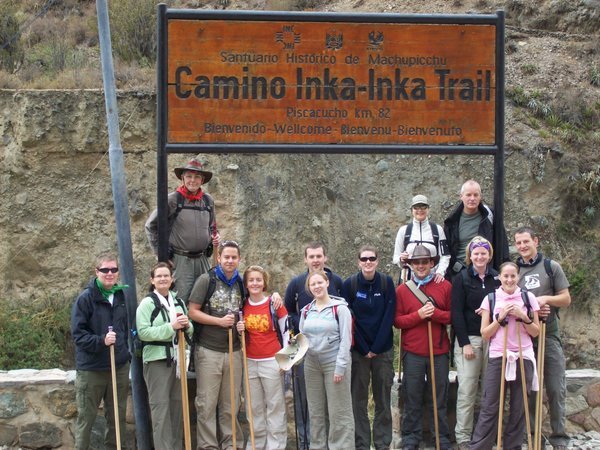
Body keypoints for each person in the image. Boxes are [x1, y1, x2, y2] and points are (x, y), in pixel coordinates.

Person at [469, 262, 540, 450]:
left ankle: (513, 446)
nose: (509, 280)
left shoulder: (528, 298)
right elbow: (485, 333)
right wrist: (499, 319)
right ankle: (480, 446)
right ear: (499, 277)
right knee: (490, 405)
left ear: (518, 277)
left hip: (523, 355)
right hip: (498, 355)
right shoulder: (490, 298)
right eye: (505, 276)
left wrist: (523, 317)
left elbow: (536, 332)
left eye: (513, 276)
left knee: (519, 406)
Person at [515, 226, 571, 450]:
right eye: (518, 243)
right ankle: (532, 435)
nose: (522, 246)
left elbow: (566, 299)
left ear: (535, 241)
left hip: (549, 336)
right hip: (526, 337)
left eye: (526, 241)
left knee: (556, 387)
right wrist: (531, 310)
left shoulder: (551, 267)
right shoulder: (514, 270)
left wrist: (545, 299)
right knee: (529, 388)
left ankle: (559, 437)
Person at [283, 241, 344, 449]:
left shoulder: (336, 282)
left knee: (334, 404)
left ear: (325, 258)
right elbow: (289, 311)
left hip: (332, 354)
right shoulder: (296, 283)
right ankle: (306, 442)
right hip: (306, 353)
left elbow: (344, 314)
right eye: (312, 256)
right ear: (305, 259)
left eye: (319, 256)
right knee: (308, 403)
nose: (316, 260)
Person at [188, 240, 245, 450]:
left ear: (239, 259)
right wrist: (219, 322)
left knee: (231, 404)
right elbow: (192, 311)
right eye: (226, 257)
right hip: (209, 351)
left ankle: (232, 445)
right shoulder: (206, 280)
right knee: (206, 404)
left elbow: (255, 298)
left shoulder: (241, 282)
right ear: (219, 258)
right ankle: (208, 446)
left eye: (234, 257)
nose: (230, 261)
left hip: (234, 350)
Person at [394, 245, 453, 450]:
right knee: (412, 395)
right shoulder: (402, 289)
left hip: (438, 352)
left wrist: (434, 314)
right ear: (410, 265)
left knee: (439, 396)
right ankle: (411, 437)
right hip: (413, 353)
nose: (420, 266)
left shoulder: (445, 286)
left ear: (432, 264)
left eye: (424, 262)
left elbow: (452, 316)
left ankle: (441, 437)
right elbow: (397, 321)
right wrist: (418, 316)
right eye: (416, 263)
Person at [71, 252, 129, 450]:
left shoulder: (121, 295)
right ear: (97, 272)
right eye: (105, 270)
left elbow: (124, 329)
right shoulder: (85, 299)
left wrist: (124, 351)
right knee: (86, 419)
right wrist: (101, 341)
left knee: (117, 419)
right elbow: (78, 335)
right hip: (92, 369)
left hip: (118, 367)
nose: (110, 273)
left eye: (113, 269)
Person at [341, 245, 396, 450]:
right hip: (359, 351)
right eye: (364, 259)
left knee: (383, 400)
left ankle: (382, 444)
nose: (368, 262)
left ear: (378, 260)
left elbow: (389, 316)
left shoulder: (386, 282)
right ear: (358, 262)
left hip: (383, 350)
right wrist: (365, 348)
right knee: (359, 401)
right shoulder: (350, 284)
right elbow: (350, 320)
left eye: (372, 258)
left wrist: (377, 347)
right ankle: (361, 444)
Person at [145, 157, 220, 304]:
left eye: (197, 177)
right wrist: (161, 254)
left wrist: (215, 237)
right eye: (189, 176)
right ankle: (181, 328)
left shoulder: (208, 201)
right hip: (180, 261)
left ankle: (198, 328)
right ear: (183, 179)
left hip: (203, 260)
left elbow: (213, 227)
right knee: (180, 300)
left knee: (204, 299)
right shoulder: (173, 200)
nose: (193, 180)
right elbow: (151, 226)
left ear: (202, 180)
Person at [136, 262, 193, 450]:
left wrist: (186, 325)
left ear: (172, 279)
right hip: (157, 361)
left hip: (178, 360)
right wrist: (171, 327)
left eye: (166, 276)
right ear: (152, 280)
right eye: (158, 276)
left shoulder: (178, 302)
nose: (163, 279)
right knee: (160, 410)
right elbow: (143, 332)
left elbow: (190, 329)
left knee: (177, 408)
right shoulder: (147, 304)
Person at [450, 236, 499, 450]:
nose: (480, 256)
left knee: (491, 389)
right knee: (468, 389)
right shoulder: (461, 278)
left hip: (494, 338)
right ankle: (463, 437)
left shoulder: (497, 278)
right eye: (476, 253)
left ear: (489, 255)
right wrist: (464, 343)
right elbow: (456, 312)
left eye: (484, 253)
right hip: (470, 338)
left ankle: (488, 435)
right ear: (470, 255)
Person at [300, 270, 355, 450]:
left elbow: (346, 340)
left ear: (327, 283)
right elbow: (302, 339)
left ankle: (341, 447)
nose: (317, 286)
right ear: (309, 288)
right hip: (312, 364)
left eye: (319, 283)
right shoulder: (306, 311)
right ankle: (318, 446)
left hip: (334, 362)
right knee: (316, 411)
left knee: (339, 411)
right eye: (312, 284)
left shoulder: (340, 309)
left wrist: (340, 367)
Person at [236, 265, 288, 450]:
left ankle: (276, 446)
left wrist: (286, 359)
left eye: (258, 279)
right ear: (246, 284)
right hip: (249, 361)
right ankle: (256, 445)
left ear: (264, 282)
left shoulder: (274, 304)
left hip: (271, 361)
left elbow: (286, 331)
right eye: (251, 280)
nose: (255, 283)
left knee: (275, 406)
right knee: (253, 408)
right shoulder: (242, 305)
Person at [444, 179, 509, 277]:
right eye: (468, 195)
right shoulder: (452, 220)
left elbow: (502, 244)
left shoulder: (490, 216)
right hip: (460, 273)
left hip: (487, 273)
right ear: (461, 196)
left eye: (476, 195)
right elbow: (448, 250)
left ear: (480, 197)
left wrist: (503, 269)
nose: (472, 198)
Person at [393, 194, 450, 283]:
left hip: (432, 280)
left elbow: (445, 255)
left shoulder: (437, 230)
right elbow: (396, 257)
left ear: (428, 209)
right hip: (408, 281)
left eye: (423, 207)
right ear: (411, 210)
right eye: (416, 207)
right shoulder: (403, 231)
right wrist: (401, 259)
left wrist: (440, 273)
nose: (420, 210)